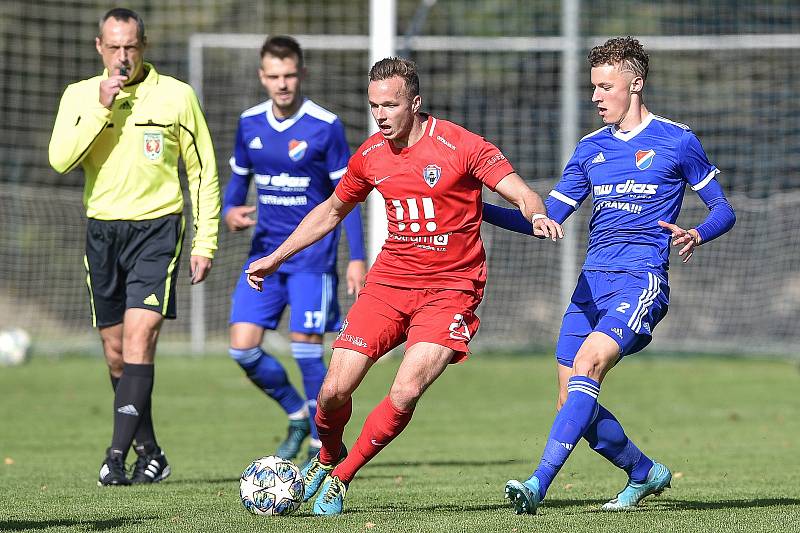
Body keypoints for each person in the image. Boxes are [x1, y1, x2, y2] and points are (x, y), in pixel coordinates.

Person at [246, 57, 563, 515]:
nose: (380, 115)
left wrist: (534, 212)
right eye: (374, 105)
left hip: (452, 290)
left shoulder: (461, 145)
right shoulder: (371, 155)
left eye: (390, 105)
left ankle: (341, 475)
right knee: (334, 390)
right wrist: (275, 258)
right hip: (389, 285)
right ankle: (328, 454)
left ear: (414, 103)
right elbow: (332, 211)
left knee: (405, 391)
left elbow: (519, 190)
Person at [486, 36, 736, 514]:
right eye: (593, 87)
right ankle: (643, 472)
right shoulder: (590, 149)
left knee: (589, 366)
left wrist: (697, 234)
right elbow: (548, 218)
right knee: (570, 403)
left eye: (606, 86)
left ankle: (537, 484)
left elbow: (724, 210)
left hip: (640, 280)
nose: (596, 96)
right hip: (590, 285)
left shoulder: (677, 140)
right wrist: (477, 209)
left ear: (635, 84)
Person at [48, 7, 221, 486]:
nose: (123, 57)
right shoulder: (80, 96)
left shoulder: (176, 97)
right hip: (102, 230)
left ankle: (114, 457)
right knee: (115, 353)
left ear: (144, 46)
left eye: (131, 47)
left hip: (158, 229)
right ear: (98, 47)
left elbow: (202, 172)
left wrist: (204, 240)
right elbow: (60, 159)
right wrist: (101, 108)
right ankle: (151, 451)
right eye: (114, 47)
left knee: (140, 336)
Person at [223, 35, 366, 464]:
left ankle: (325, 444)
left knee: (306, 346)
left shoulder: (325, 125)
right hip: (264, 255)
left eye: (289, 75)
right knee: (242, 347)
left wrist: (357, 256)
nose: (282, 84)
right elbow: (237, 181)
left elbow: (349, 195)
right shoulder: (249, 123)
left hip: (312, 258)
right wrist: (230, 210)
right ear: (262, 77)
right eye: (274, 76)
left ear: (301, 74)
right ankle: (298, 414)